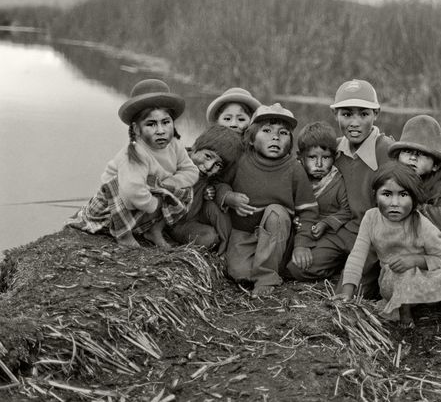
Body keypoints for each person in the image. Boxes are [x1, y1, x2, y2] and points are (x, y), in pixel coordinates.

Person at [336, 163, 441, 332]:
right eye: (386, 194)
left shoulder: (422, 224)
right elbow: (357, 256)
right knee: (401, 275)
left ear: (414, 199)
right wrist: (347, 293)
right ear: (375, 196)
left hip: (426, 278)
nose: (394, 203)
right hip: (393, 281)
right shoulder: (371, 218)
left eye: (403, 195)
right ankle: (404, 310)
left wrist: (416, 260)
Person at [288, 79, 394, 293]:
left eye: (363, 114)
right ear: (335, 114)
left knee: (349, 291)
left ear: (376, 114)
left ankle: (356, 272)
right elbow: (305, 179)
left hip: (373, 235)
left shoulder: (388, 151)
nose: (354, 123)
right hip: (341, 229)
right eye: (346, 114)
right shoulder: (332, 148)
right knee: (297, 269)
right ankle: (338, 263)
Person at [67, 79, 199, 248]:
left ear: (173, 123)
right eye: (151, 124)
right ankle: (124, 235)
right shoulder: (135, 154)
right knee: (121, 185)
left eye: (165, 122)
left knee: (185, 190)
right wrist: (153, 204)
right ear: (137, 130)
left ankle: (153, 231)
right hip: (113, 207)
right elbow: (131, 192)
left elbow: (191, 171)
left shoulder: (175, 146)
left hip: (144, 197)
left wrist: (170, 184)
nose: (161, 130)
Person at [223, 103, 319, 296]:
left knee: (276, 212)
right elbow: (220, 184)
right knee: (238, 273)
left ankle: (267, 277)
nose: (275, 137)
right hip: (244, 232)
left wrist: (302, 244)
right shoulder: (240, 160)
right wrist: (229, 197)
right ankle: (261, 268)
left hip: (277, 236)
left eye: (283, 133)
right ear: (250, 139)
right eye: (266, 131)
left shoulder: (294, 168)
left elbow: (308, 210)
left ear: (290, 142)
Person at [388, 115, 441, 259]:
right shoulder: (392, 181)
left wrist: (412, 205)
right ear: (398, 156)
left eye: (421, 154)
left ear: (435, 165)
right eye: (407, 152)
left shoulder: (440, 187)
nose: (413, 158)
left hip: (438, 256)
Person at [286, 122, 351, 278]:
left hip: (327, 235)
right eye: (312, 157)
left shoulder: (337, 181)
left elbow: (347, 210)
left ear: (335, 157)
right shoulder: (296, 177)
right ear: (300, 157)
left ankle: (334, 268)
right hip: (301, 231)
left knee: (298, 268)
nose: (319, 164)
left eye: (326, 157)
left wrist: (326, 223)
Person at [168, 125, 243, 254]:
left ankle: (225, 249)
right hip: (170, 221)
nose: (209, 167)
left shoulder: (207, 175)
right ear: (195, 148)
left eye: (218, 165)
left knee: (212, 226)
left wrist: (209, 190)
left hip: (190, 218)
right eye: (208, 156)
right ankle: (161, 234)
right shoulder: (173, 161)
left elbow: (219, 184)